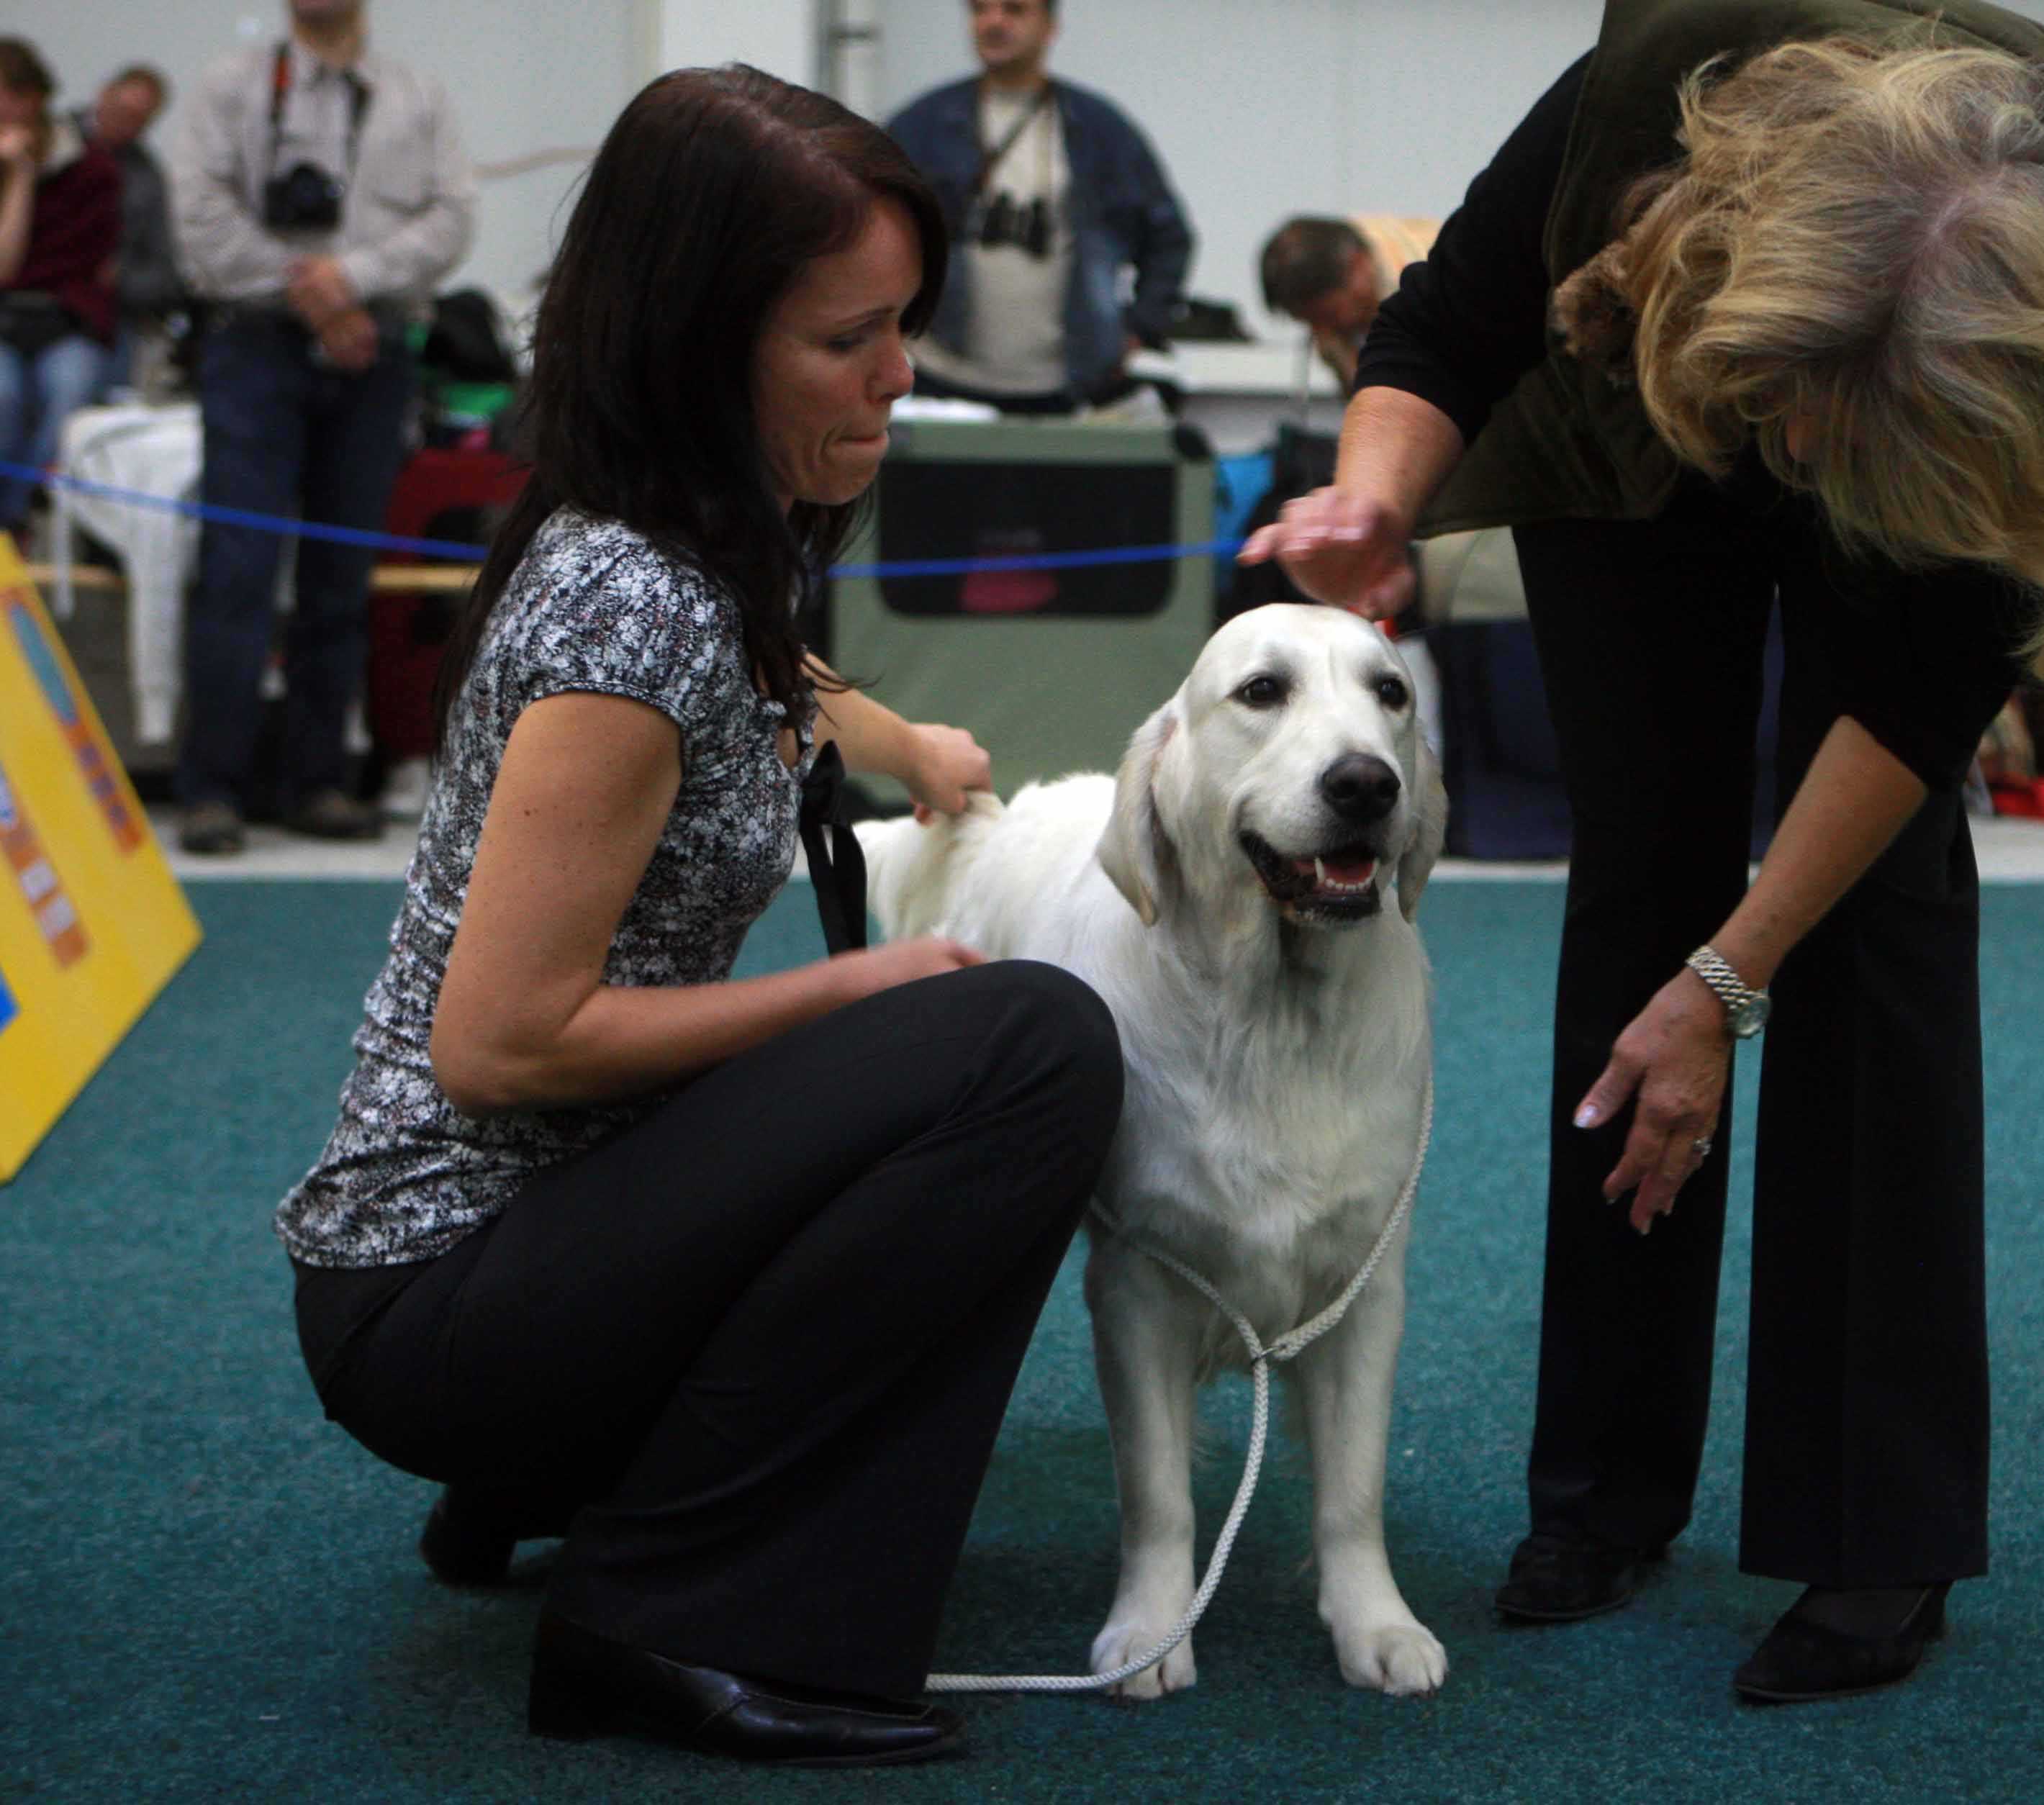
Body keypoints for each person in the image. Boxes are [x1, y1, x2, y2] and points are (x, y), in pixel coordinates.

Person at [1242, 0, 2044, 1703]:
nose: (1802, 471)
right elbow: (1443, 329)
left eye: (1828, 443)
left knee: (1872, 918)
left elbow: (1910, 706)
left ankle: (1874, 1530)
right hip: (1643, 395)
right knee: (1643, 885)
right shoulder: (1630, 124)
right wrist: (1373, 499)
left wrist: (1736, 977)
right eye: (1801, 427)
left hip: (1940, 401)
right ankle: (1604, 1484)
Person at [276, 64, 1124, 1768]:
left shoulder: (690, 544)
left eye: (906, 323)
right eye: (848, 338)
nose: (899, 371)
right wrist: (862, 993)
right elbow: (504, 1038)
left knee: (963, 1041)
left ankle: (557, 1481)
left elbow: (771, 678)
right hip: (436, 1295)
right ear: (699, 343)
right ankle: (674, 1607)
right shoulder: (638, 602)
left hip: (494, 1247)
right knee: (1026, 1045)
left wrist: (902, 742)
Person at [169, 0, 474, 854]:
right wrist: (312, 292)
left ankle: (317, 780)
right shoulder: (229, 87)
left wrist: (351, 278)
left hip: (373, 356)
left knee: (340, 578)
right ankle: (212, 789)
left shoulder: (416, 96)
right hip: (253, 350)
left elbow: (453, 218)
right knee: (238, 570)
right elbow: (200, 218)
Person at [885, 0, 1192, 412]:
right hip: (941, 373)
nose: (994, 22)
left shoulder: (1099, 129)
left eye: (1014, 9)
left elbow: (1169, 237)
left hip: (1067, 381)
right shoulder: (922, 125)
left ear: (1050, 26)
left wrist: (1139, 329)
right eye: (980, 10)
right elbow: (874, 228)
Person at [0, 37, 119, 542]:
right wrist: (19, 179)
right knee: (2, 396)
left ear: (38, 96)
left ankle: (16, 516)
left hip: (66, 316)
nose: (7, 106)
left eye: (15, 92)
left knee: (69, 392)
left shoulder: (91, 169)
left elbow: (96, 263)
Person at [75, 64, 182, 392]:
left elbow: (164, 268)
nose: (126, 125)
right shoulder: (51, 145)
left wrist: (122, 277)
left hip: (108, 312)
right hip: (35, 301)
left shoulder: (148, 178)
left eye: (139, 119)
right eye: (122, 111)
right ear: (104, 95)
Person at [1258, 214, 1439, 389]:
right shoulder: (1343, 244)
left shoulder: (1434, 281)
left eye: (1329, 315)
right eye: (1309, 322)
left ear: (1359, 265)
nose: (1322, 332)